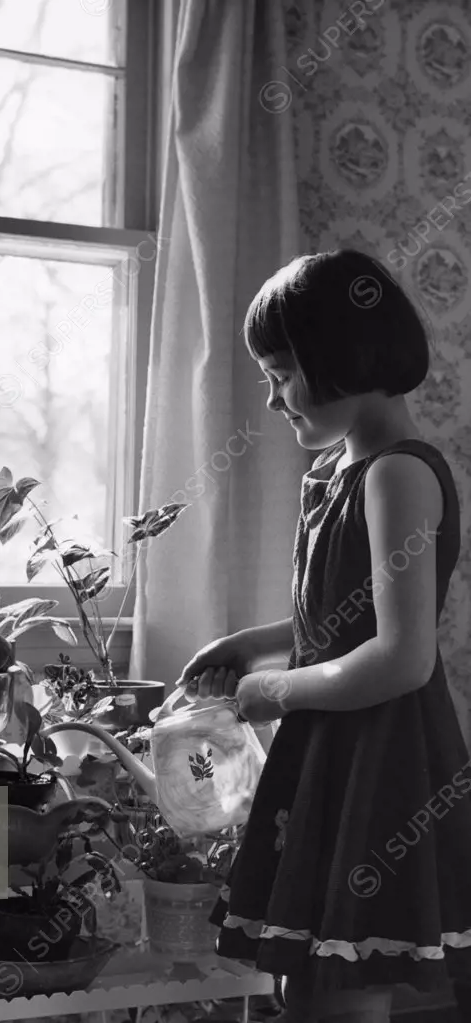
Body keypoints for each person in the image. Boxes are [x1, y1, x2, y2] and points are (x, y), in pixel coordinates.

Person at [177, 250, 471, 1022]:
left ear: (342, 356)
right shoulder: (338, 473)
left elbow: (400, 656)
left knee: (343, 985)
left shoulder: (397, 476)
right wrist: (252, 644)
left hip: (381, 757)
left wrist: (270, 690)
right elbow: (339, 619)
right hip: (332, 745)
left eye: (280, 373)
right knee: (301, 980)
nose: (274, 401)